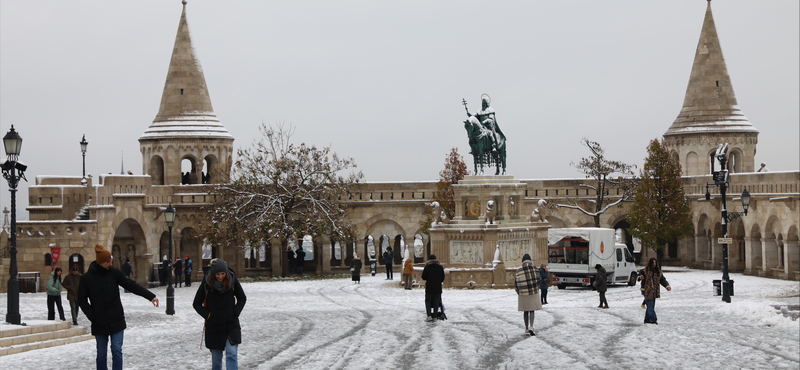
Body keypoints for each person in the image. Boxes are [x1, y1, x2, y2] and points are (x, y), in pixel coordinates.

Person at [78, 245, 159, 370]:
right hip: (99, 321)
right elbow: (81, 300)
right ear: (100, 262)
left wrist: (150, 296)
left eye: (111, 261)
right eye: (108, 262)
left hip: (116, 318)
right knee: (101, 353)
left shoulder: (115, 273)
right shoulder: (86, 278)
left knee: (116, 350)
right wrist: (92, 315)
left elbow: (131, 285)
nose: (111, 263)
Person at [193, 259, 247, 370]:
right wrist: (208, 316)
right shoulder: (206, 284)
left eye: (223, 274)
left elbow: (242, 298)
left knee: (232, 354)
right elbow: (196, 304)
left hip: (231, 324)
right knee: (216, 360)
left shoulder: (232, 281)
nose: (221, 277)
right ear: (213, 274)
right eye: (218, 274)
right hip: (214, 326)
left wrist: (235, 312)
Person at [637, 258, 672, 324]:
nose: (654, 264)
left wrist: (667, 286)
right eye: (653, 263)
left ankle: (647, 320)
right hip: (646, 290)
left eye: (655, 263)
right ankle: (653, 319)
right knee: (650, 305)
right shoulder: (644, 271)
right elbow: (638, 277)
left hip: (654, 291)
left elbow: (662, 280)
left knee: (651, 305)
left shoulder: (658, 272)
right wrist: (640, 277)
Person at [514, 254, 542, 336]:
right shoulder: (535, 268)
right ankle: (531, 326)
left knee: (525, 310)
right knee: (532, 309)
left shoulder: (519, 270)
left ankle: (526, 328)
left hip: (523, 293)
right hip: (533, 292)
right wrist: (536, 288)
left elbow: (516, 283)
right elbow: (539, 279)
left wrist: (519, 291)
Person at [421, 254, 445, 322]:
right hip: (437, 287)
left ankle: (429, 316)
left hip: (429, 287)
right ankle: (434, 316)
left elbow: (424, 277)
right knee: (436, 302)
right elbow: (442, 278)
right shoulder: (440, 267)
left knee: (428, 301)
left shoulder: (427, 267)